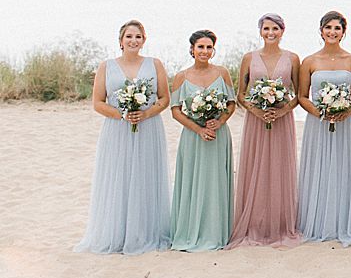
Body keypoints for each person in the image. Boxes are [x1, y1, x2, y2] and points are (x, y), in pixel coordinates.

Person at [75, 20, 172, 254]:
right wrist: (122, 114)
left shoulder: (155, 64)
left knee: (145, 176)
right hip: (116, 130)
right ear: (120, 41)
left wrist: (146, 113)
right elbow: (97, 103)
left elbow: (164, 98)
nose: (133, 41)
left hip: (148, 128)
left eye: (138, 37)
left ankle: (145, 232)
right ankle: (116, 233)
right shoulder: (106, 66)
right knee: (118, 177)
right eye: (129, 36)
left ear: (144, 40)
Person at [228, 13, 302, 248]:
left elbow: (299, 94)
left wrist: (281, 111)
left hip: (282, 120)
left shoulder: (292, 58)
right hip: (256, 121)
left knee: (280, 168)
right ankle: (255, 224)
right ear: (260, 31)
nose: (271, 33)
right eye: (266, 29)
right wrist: (256, 110)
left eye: (276, 29)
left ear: (283, 31)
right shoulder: (249, 58)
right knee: (256, 168)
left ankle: (280, 225)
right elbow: (241, 93)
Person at [297, 10, 351, 246]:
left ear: (344, 32)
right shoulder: (310, 61)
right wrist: (321, 113)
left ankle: (344, 220)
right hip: (318, 123)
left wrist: (347, 111)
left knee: (344, 167)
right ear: (321, 31)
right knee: (320, 168)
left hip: (346, 124)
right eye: (328, 28)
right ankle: (318, 221)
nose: (332, 32)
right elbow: (302, 96)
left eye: (337, 28)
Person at [169, 29, 236, 251]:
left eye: (209, 47)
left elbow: (231, 103)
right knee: (192, 180)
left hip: (217, 135)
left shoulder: (222, 73)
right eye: (200, 47)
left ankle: (216, 232)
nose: (205, 51)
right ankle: (190, 231)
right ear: (192, 49)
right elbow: (176, 110)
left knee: (215, 181)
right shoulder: (182, 76)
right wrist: (198, 129)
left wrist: (221, 121)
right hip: (193, 137)